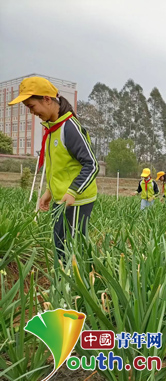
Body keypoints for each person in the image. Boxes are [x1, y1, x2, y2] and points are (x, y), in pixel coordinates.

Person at [9, 76, 98, 257]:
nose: (31, 112)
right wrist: (49, 192)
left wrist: (72, 191)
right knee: (59, 244)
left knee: (71, 251)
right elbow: (57, 167)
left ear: (47, 99)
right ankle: (61, 281)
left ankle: (74, 283)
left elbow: (92, 164)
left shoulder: (69, 128)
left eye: (31, 106)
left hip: (76, 201)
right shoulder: (52, 129)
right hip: (61, 199)